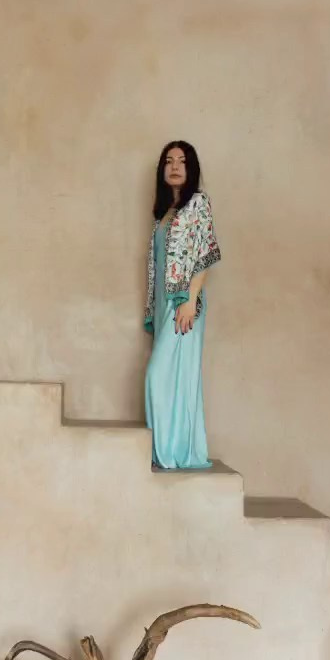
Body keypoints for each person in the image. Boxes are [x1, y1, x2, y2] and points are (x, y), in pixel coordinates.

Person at [144, 141, 221, 470]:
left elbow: (207, 251)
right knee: (168, 379)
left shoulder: (198, 203)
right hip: (164, 302)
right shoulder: (163, 213)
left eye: (182, 161)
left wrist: (190, 300)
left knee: (162, 376)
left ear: (191, 168)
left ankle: (172, 452)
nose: (174, 167)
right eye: (168, 161)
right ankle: (165, 453)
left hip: (184, 304)